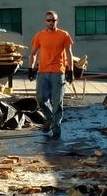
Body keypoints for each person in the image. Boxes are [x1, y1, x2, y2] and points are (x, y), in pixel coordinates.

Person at [28, 10, 75, 139]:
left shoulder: (64, 35)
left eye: (53, 20)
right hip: (42, 72)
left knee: (57, 102)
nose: (51, 22)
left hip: (58, 72)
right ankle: (49, 119)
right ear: (45, 21)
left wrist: (70, 71)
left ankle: (56, 127)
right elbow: (32, 53)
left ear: (57, 21)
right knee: (41, 99)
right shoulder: (40, 36)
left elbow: (69, 54)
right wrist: (30, 68)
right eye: (48, 20)